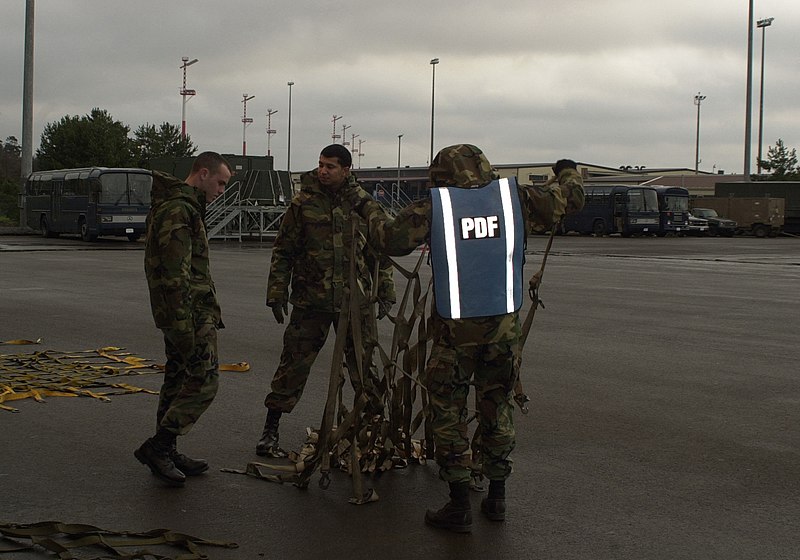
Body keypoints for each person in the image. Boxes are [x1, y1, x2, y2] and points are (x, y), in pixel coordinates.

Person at [343, 144, 584, 532]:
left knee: (448, 412)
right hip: (504, 330)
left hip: (455, 334)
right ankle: (497, 496)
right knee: (497, 405)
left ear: (440, 174)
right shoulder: (515, 198)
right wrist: (568, 170)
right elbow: (570, 197)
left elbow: (388, 239)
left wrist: (362, 201)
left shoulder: (434, 208)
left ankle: (458, 504)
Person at [257, 144, 396, 457]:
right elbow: (283, 251)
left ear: (346, 169)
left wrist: (386, 290)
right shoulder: (303, 202)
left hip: (354, 302)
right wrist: (276, 291)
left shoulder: (362, 204)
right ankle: (270, 429)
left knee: (364, 366)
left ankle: (372, 428)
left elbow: (380, 251)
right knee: (292, 365)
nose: (323, 171)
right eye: (321, 164)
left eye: (330, 166)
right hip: (311, 301)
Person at [136, 152, 233, 487]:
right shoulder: (179, 209)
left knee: (178, 377)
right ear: (203, 174)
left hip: (185, 310)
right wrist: (183, 325)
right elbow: (173, 274)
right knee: (205, 380)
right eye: (220, 182)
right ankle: (159, 446)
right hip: (188, 312)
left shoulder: (183, 206)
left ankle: (167, 448)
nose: (222, 190)